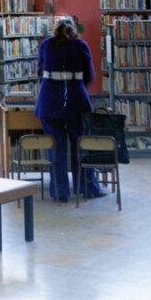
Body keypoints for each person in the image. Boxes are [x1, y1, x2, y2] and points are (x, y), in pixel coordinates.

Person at [34, 15, 103, 202]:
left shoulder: (45, 45)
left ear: (54, 28)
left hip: (49, 102)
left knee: (56, 148)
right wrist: (76, 88)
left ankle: (60, 192)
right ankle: (87, 187)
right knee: (81, 145)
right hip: (76, 101)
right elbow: (89, 76)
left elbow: (40, 72)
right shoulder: (81, 45)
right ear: (74, 29)